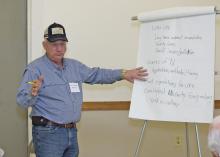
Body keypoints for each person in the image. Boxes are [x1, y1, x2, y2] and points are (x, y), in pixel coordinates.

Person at [16, 22, 148, 157]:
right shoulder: (34, 69)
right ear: (45, 45)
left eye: (62, 44)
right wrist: (33, 93)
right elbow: (21, 100)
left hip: (71, 132)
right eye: (54, 45)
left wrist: (123, 74)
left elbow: (97, 74)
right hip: (48, 134)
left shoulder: (74, 67)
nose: (59, 49)